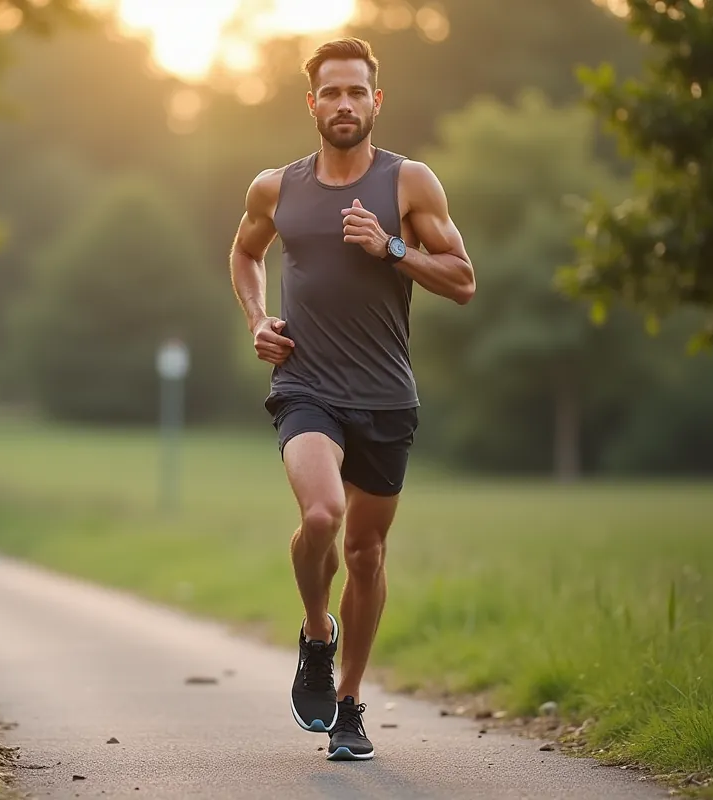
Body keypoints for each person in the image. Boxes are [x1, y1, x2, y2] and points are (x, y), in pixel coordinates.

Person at [228, 36, 475, 761]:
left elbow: (462, 280)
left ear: (376, 101)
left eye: (355, 92)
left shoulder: (409, 184)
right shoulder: (277, 187)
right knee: (321, 513)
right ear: (312, 104)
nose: (343, 104)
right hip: (306, 387)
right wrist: (257, 320)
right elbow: (245, 253)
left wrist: (392, 250)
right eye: (330, 92)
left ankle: (349, 706)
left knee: (366, 555)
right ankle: (316, 633)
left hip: (387, 398)